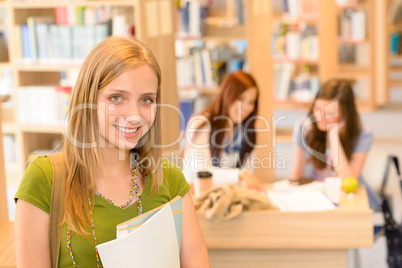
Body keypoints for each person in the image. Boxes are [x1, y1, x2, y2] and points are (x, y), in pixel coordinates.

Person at [14, 36, 210, 268]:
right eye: (116, 98)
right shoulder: (45, 178)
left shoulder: (169, 179)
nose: (134, 115)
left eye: (146, 100)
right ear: (88, 99)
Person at [291, 78, 381, 210]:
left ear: (345, 113)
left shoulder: (363, 133)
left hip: (351, 200)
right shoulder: (303, 127)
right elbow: (296, 176)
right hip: (318, 197)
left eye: (330, 113)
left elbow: (347, 181)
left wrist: (333, 135)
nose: (321, 116)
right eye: (318, 108)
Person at [183, 70, 263, 191]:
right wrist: (239, 175)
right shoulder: (201, 123)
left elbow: (247, 178)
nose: (246, 108)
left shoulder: (247, 133)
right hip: (194, 199)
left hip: (225, 198)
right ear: (227, 95)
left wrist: (242, 177)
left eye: (251, 102)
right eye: (241, 99)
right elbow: (203, 173)